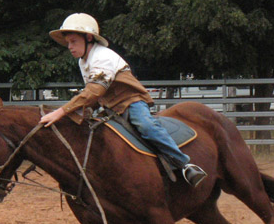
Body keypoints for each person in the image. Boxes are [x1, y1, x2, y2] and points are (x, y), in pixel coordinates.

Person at [41, 13, 207, 187]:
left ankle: (185, 164)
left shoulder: (102, 56)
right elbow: (95, 96)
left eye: (73, 41)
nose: (69, 46)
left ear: (88, 38)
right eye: (68, 43)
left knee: (146, 125)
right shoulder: (84, 62)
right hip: (111, 108)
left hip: (131, 102)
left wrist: (61, 111)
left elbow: (94, 90)